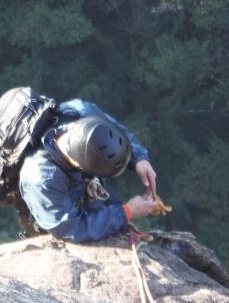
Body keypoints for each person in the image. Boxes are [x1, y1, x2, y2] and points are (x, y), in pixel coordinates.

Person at [18, 98, 158, 242]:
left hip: (75, 177)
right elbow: (73, 229)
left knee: (108, 210)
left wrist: (139, 158)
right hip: (56, 213)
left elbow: (113, 131)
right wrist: (127, 211)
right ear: (83, 169)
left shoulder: (84, 113)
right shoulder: (42, 179)